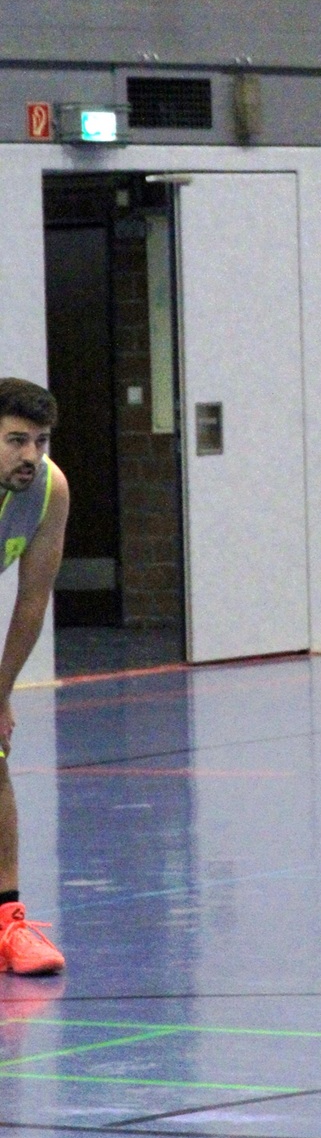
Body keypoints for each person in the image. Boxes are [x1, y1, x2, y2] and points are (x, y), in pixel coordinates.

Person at [0, 379, 70, 977]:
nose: (31, 455)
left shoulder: (49, 491)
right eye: (16, 440)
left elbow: (32, 601)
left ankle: (7, 923)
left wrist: (0, 693)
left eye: (40, 441)